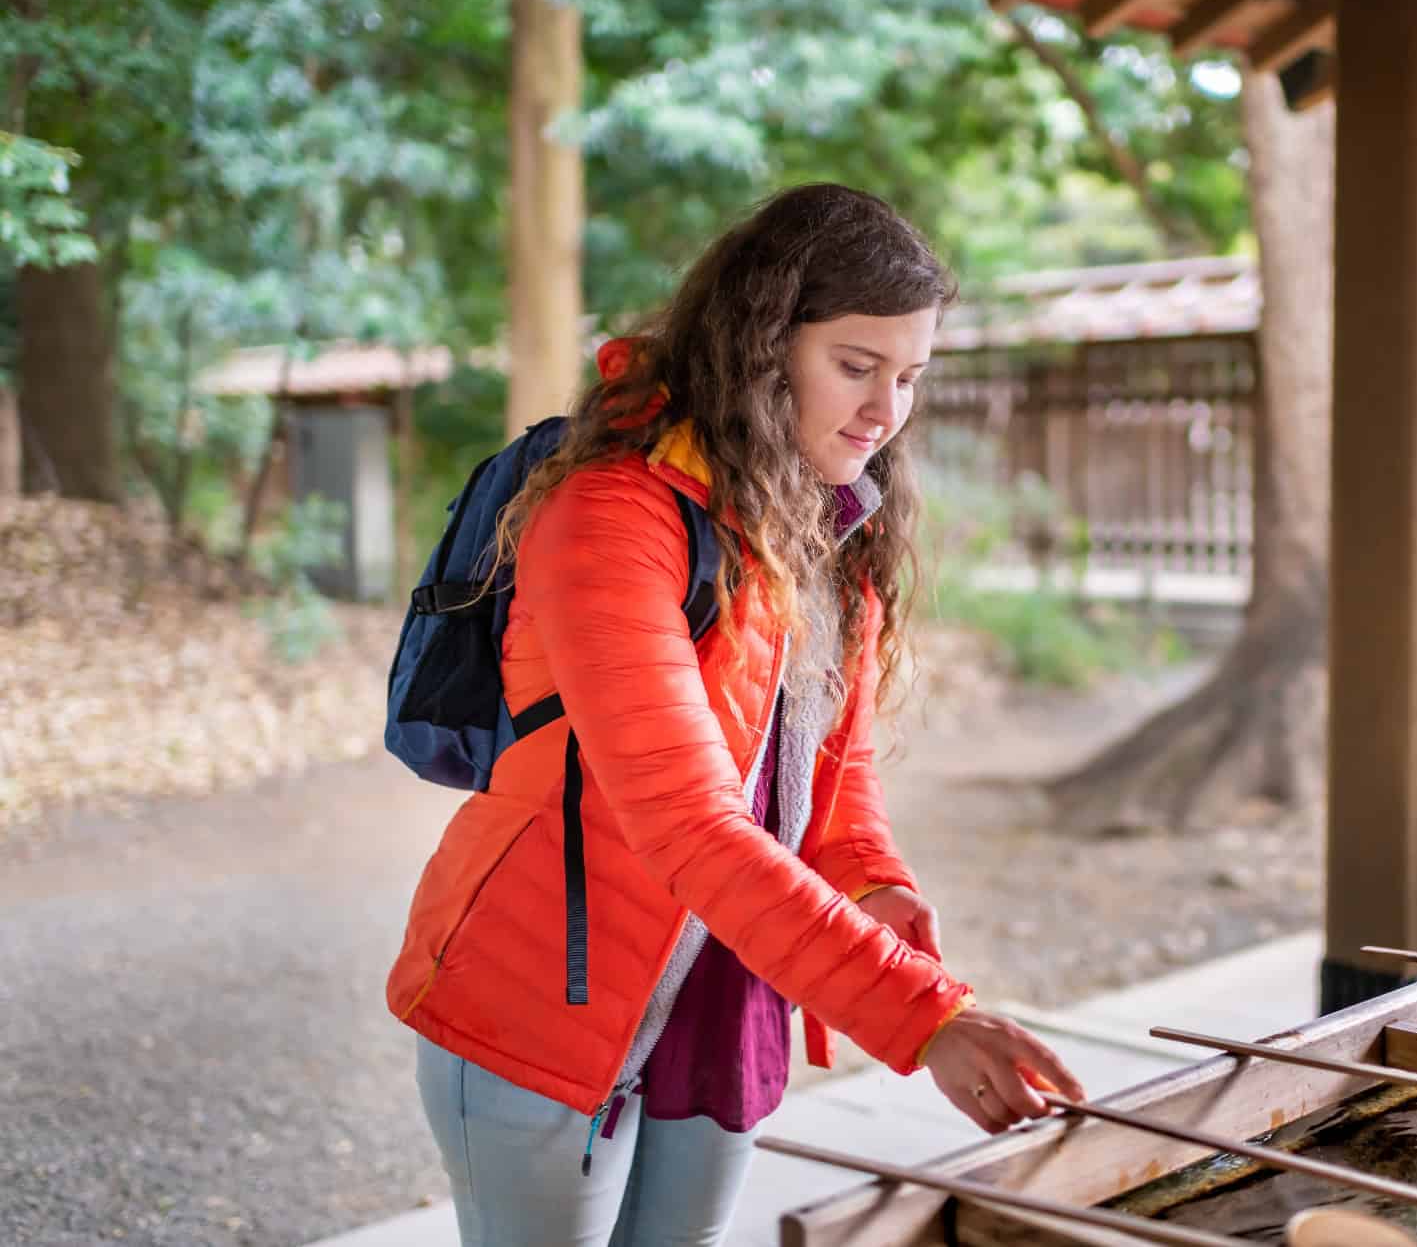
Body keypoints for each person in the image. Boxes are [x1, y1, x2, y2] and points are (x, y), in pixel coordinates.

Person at [386, 182, 1087, 1247]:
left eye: (909, 377)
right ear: (762, 347)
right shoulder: (610, 517)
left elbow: (829, 765)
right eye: (855, 366)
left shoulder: (823, 524)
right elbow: (689, 818)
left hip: (719, 1010)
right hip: (540, 1002)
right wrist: (920, 1014)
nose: (884, 410)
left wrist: (874, 878)